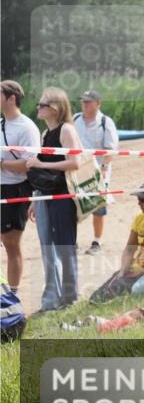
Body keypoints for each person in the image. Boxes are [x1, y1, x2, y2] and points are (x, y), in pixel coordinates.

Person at [24, 87, 83, 311]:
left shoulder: (66, 130)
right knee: (47, 247)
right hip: (44, 195)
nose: (37, 108)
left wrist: (41, 164)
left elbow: (75, 163)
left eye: (42, 105)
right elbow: (43, 174)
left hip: (63, 195)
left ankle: (69, 297)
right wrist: (33, 199)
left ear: (56, 108)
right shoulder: (45, 134)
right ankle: (53, 297)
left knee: (65, 245)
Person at [1, 80, 40, 296]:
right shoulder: (1, 124)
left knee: (11, 243)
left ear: (11, 98)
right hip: (2, 187)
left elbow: (29, 165)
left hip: (16, 189)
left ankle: (13, 294)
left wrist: (1, 164)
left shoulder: (27, 127)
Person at [73, 90, 119, 255]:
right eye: (83, 101)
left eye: (88, 102)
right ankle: (73, 241)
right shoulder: (75, 119)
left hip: (97, 171)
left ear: (98, 103)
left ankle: (97, 242)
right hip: (76, 170)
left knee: (98, 207)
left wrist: (103, 169)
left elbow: (111, 150)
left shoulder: (106, 122)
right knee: (73, 205)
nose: (84, 104)